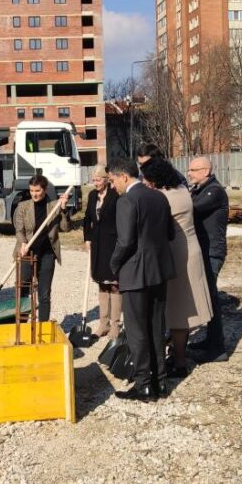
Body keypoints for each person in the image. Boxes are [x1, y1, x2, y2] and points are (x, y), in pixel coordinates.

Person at [108, 158, 176, 402]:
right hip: (159, 271)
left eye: (113, 180)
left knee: (137, 331)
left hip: (135, 273)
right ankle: (160, 381)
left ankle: (144, 385)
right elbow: (170, 233)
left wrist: (114, 265)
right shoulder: (158, 197)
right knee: (156, 327)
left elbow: (125, 241)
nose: (112, 185)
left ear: (124, 177)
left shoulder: (127, 200)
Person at [140, 158, 213, 377]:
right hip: (189, 250)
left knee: (179, 310)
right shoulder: (181, 189)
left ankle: (179, 361)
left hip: (176, 254)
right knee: (182, 308)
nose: (144, 182)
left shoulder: (164, 198)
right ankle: (177, 355)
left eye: (146, 178)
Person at [185, 156, 230, 363]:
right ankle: (210, 340)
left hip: (212, 251)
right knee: (206, 297)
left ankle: (217, 348)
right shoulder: (199, 189)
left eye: (193, 170)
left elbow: (192, 209)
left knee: (211, 298)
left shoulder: (214, 191)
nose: (189, 173)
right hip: (204, 250)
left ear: (206, 171)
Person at [13, 175, 71, 323]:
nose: (34, 194)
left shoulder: (53, 206)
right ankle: (22, 325)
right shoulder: (23, 206)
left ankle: (43, 327)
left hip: (47, 254)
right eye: (32, 190)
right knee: (24, 291)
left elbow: (65, 228)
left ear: (44, 190)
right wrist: (23, 243)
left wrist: (63, 209)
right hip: (26, 253)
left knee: (44, 294)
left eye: (37, 190)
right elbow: (19, 230)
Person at [82, 167, 121, 339]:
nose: (95, 183)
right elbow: (87, 219)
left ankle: (115, 325)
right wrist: (87, 238)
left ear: (106, 179)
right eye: (94, 180)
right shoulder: (91, 196)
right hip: (97, 243)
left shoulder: (115, 194)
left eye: (98, 180)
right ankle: (103, 323)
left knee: (114, 283)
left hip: (112, 243)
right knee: (101, 282)